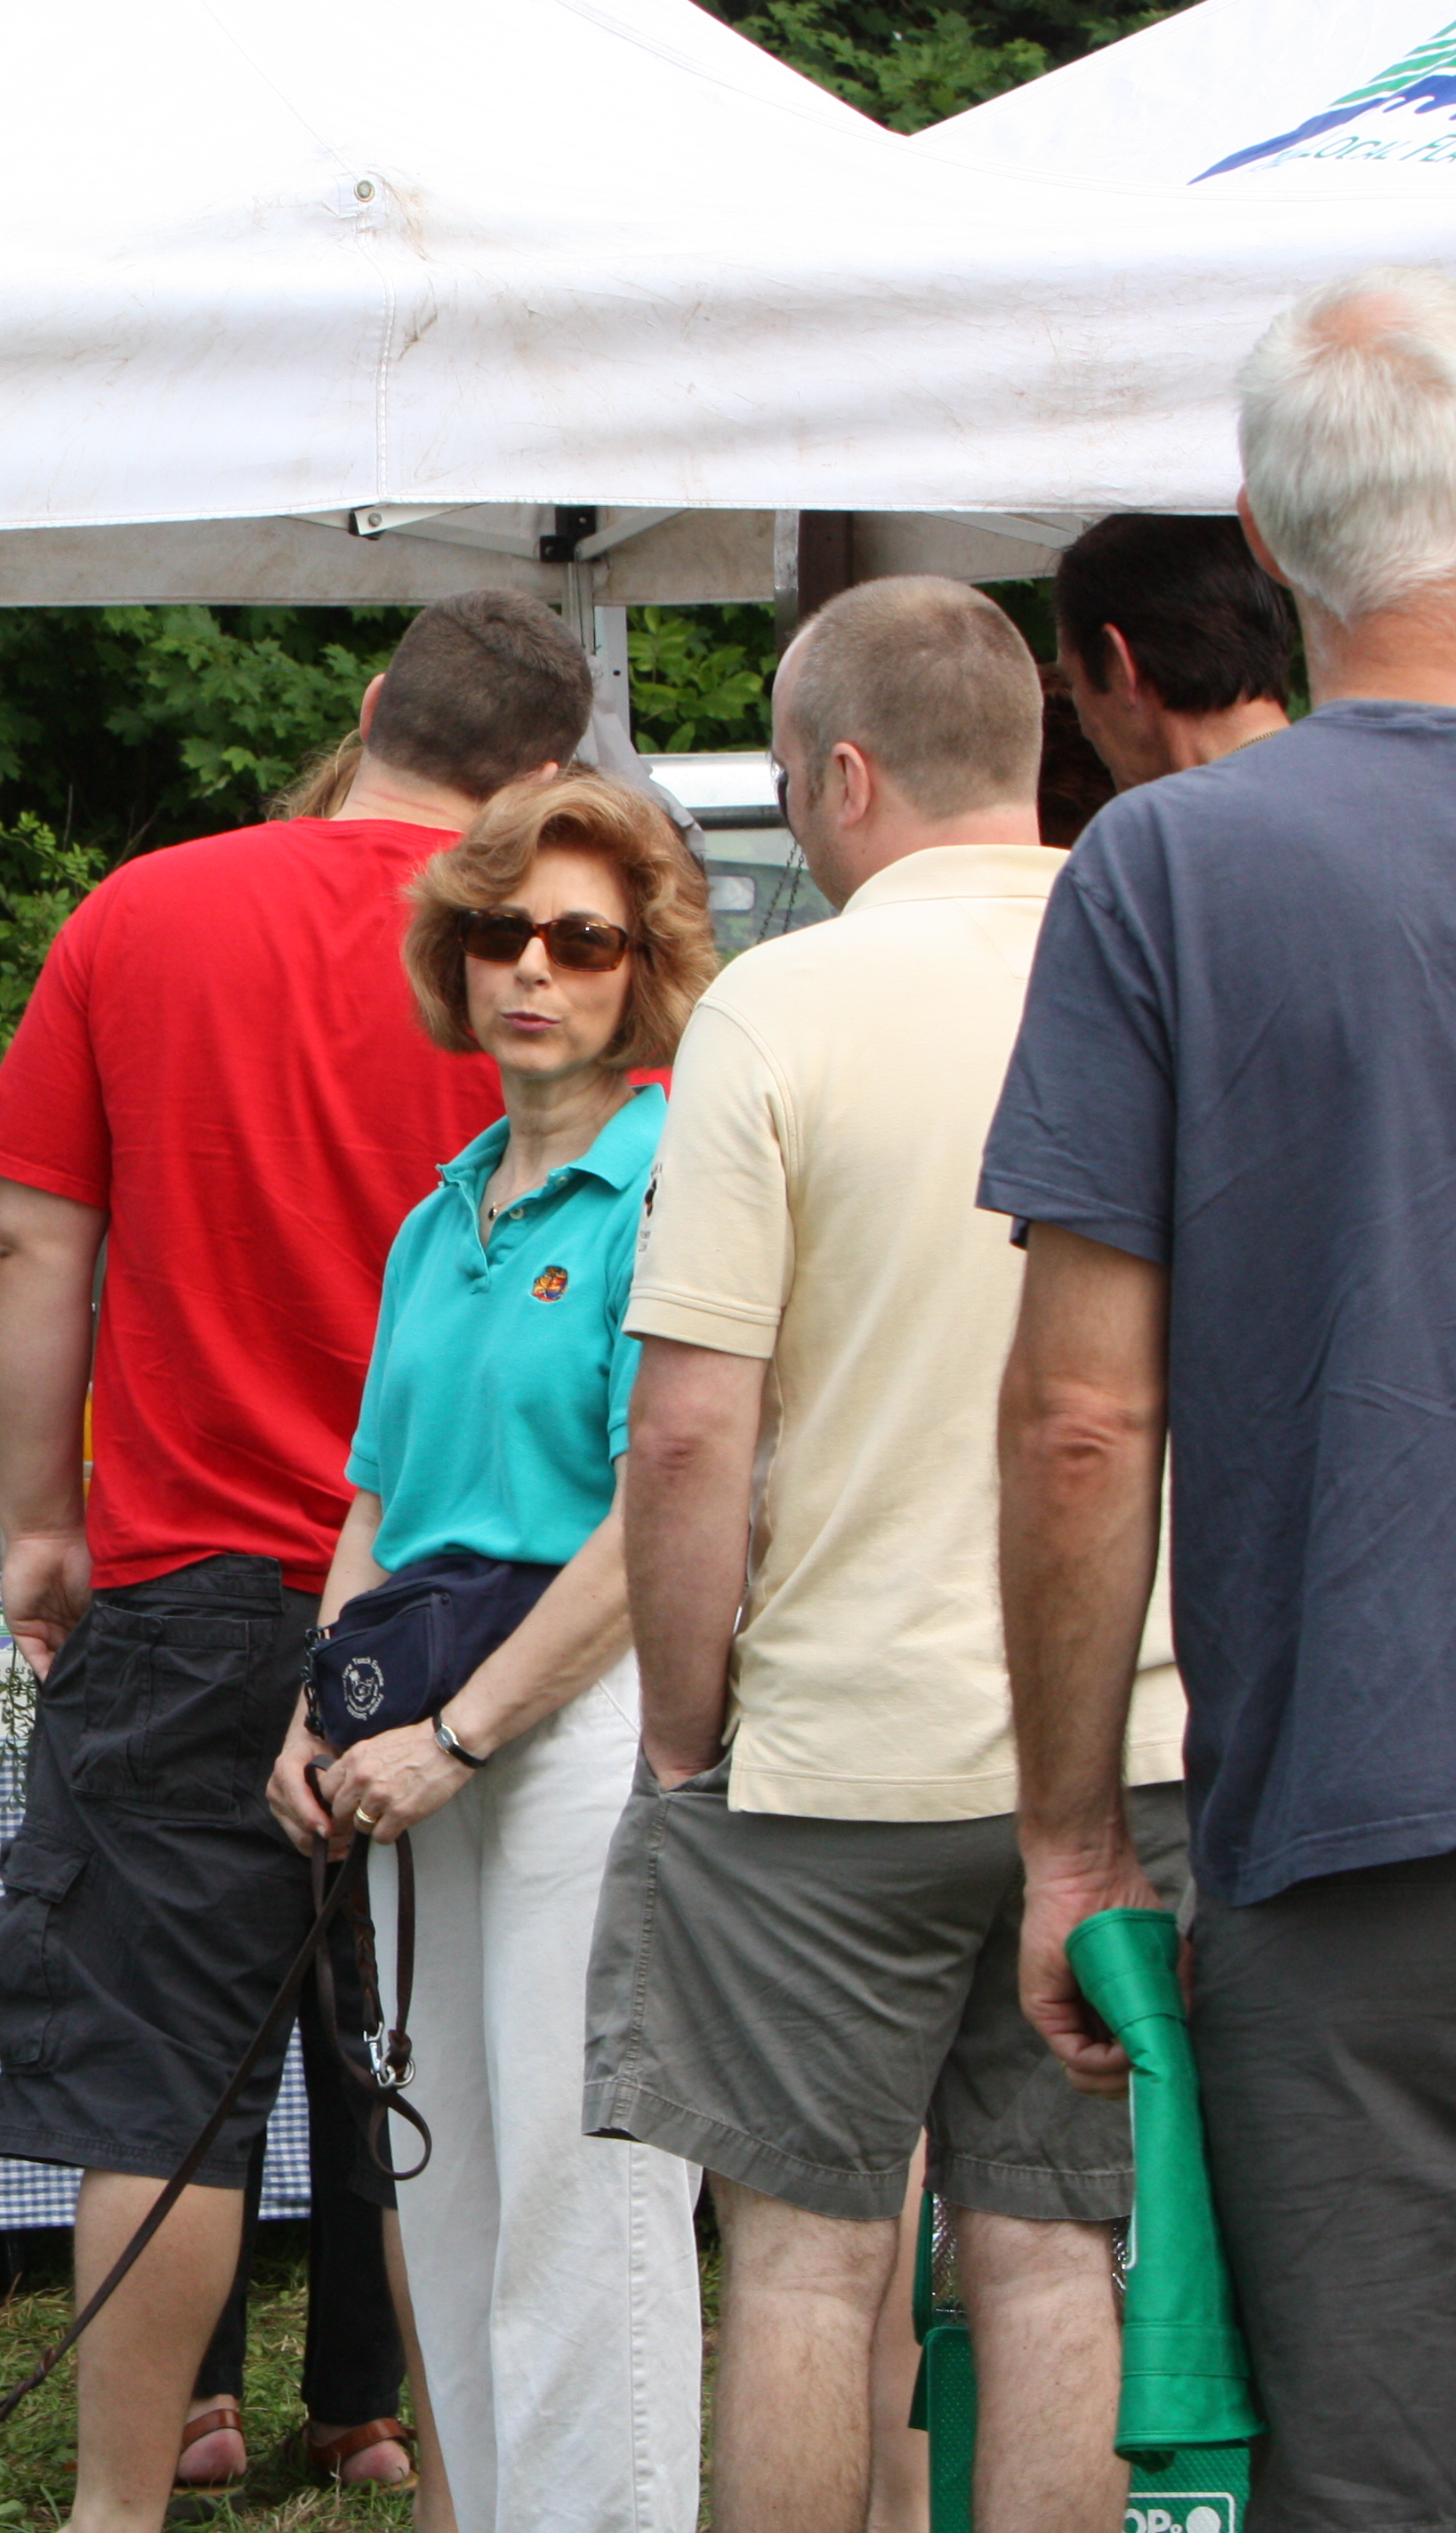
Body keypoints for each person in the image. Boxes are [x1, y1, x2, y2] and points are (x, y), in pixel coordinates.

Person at [989, 267, 1456, 2533]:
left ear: (1265, 539)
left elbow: (1081, 1415)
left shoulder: (1164, 869)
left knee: (1399, 2483)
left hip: (1369, 1815)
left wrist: (1068, 1838)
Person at [0, 588, 596, 2533]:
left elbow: (32, 1242)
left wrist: (40, 1518)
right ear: (548, 774)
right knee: (444, 2068)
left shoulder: (142, 910)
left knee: (163, 2063)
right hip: (478, 1600)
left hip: (195, 1567)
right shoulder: (555, 960)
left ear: (373, 703)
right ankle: (462, 2484)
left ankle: (119, 2502)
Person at [583, 577, 1190, 2533]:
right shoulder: (1161, 948)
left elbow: (690, 1426)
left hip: (834, 1752)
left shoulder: (781, 1002)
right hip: (1127, 1730)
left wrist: (684, 1726)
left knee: (800, 2267)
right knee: (1056, 2260)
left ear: (843, 776)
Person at [272, 768, 716, 2533]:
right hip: (416, 1729)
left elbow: (655, 1520)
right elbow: (377, 1507)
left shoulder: (670, 1181)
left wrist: (459, 1732)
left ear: (643, 968)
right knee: (444, 2180)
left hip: (575, 1721)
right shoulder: (436, 1211)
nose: (533, 966)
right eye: (499, 930)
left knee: (583, 2189)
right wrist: (317, 1712)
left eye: (582, 939)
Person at [1052, 511, 1293, 788]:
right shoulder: (1333, 771)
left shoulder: (1162, 814)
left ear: (1118, 666)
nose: (1084, 730)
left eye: (1072, 682)